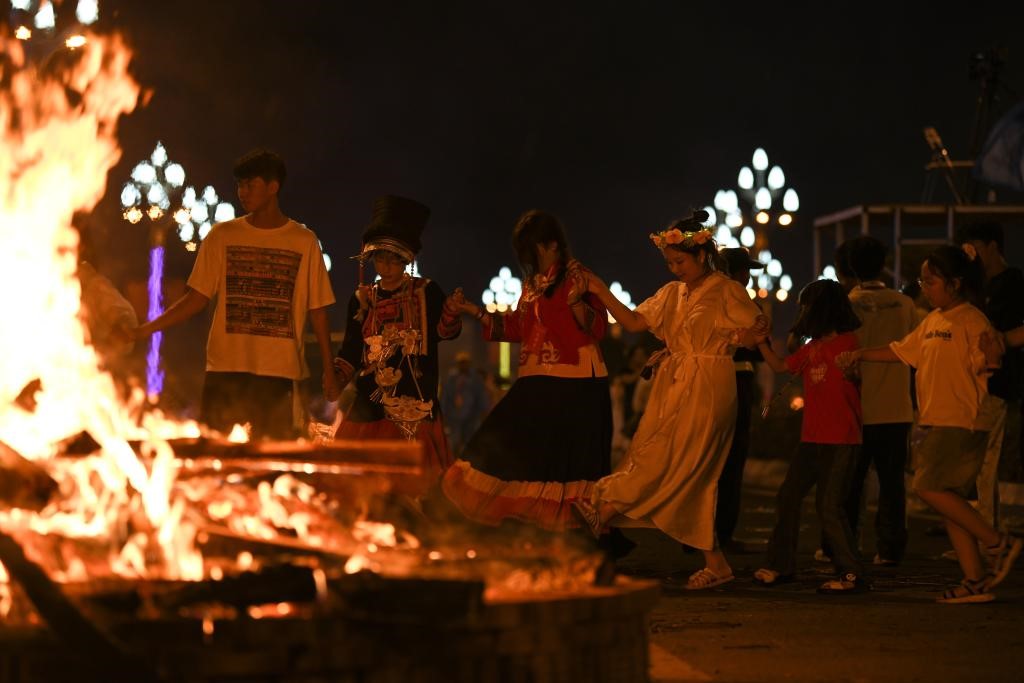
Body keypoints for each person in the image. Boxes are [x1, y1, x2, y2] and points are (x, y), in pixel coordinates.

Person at [572, 219, 765, 590]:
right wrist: (598, 288)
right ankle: (716, 563)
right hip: (674, 384)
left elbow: (752, 334)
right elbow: (633, 322)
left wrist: (753, 333)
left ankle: (605, 510)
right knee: (676, 463)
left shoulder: (725, 289)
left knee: (681, 462)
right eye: (670, 263)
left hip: (709, 383)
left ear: (703, 255)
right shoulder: (672, 294)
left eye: (681, 261)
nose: (675, 269)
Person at [838, 245, 1022, 603]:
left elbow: (988, 363)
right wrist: (861, 354)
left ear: (955, 283)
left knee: (926, 486)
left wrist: (992, 358)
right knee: (949, 499)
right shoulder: (933, 320)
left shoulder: (971, 320)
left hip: (962, 419)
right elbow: (901, 350)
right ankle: (974, 580)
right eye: (922, 281)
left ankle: (998, 543)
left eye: (931, 281)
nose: (925, 287)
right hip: (938, 419)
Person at [135, 149, 339, 439]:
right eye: (240, 185)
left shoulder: (303, 241)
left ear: (273, 187)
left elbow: (318, 310)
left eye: (250, 184)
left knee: (272, 455)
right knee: (213, 450)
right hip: (225, 368)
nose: (242, 192)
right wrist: (145, 330)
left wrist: (329, 371)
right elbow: (196, 299)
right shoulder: (221, 236)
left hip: (278, 372)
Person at [441, 210, 612, 532]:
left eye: (532, 250)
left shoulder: (579, 277)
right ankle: (529, 523)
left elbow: (597, 327)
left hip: (575, 383)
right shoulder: (531, 286)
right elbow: (518, 328)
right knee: (505, 444)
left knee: (561, 463)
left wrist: (576, 302)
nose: (529, 260)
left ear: (552, 245)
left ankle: (565, 531)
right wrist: (473, 311)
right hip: (535, 381)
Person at [332, 196, 463, 481]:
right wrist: (336, 377)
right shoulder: (362, 299)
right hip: (369, 403)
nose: (387, 266)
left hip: (414, 401)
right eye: (381, 259)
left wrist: (452, 312)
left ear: (406, 260)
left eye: (394, 260)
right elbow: (351, 348)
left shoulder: (427, 292)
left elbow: (445, 333)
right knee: (356, 482)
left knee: (413, 485)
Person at [751, 279, 867, 594]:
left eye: (806, 307)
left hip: (841, 438)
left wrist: (854, 372)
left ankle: (851, 573)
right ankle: (780, 565)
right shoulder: (812, 346)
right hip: (812, 437)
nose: (802, 313)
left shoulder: (848, 342)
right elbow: (780, 366)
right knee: (788, 496)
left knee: (829, 506)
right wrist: (761, 343)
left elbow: (858, 375)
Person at [833, 236, 920, 567]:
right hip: (896, 408)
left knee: (851, 484)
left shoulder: (845, 306)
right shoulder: (904, 305)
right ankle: (890, 549)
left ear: (850, 268)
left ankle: (846, 545)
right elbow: (917, 351)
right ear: (883, 265)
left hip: (855, 408)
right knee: (892, 483)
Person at [955, 222, 1024, 530]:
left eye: (976, 248)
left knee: (986, 463)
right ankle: (979, 533)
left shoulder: (1013, 282)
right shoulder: (976, 286)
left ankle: (987, 537)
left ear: (994, 246)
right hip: (971, 383)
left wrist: (1001, 341)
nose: (971, 255)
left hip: (997, 382)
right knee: (972, 464)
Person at [715, 246, 765, 554]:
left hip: (708, 383)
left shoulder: (707, 300)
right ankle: (722, 533)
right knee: (732, 460)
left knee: (706, 457)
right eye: (746, 271)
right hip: (738, 381)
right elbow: (759, 348)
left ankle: (696, 532)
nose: (748, 277)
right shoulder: (745, 304)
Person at [441, 351, 490, 457]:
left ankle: (469, 461)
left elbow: (481, 395)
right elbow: (445, 396)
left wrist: (484, 411)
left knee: (470, 442)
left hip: (471, 416)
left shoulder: (475, 379)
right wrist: (443, 413)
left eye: (465, 362)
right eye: (461, 363)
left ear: (469, 363)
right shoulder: (452, 379)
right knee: (454, 442)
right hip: (454, 416)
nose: (463, 365)